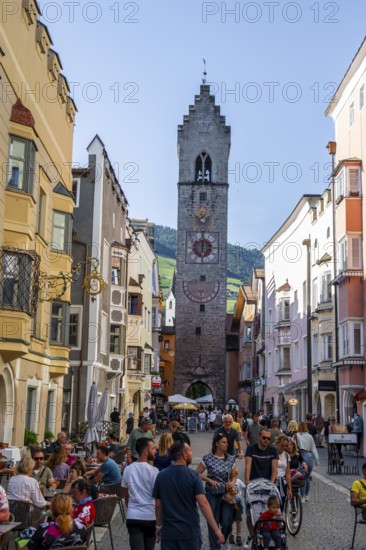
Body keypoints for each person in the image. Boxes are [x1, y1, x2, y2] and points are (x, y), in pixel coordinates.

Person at [153, 441, 225, 550]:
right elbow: (203, 503)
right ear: (184, 455)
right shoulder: (194, 476)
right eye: (190, 450)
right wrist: (216, 530)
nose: (192, 453)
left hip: (169, 533)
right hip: (189, 533)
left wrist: (158, 526)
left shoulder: (161, 476)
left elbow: (158, 505)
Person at [196, 432, 237, 549]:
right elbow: (197, 473)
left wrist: (233, 482)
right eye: (224, 442)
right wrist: (209, 480)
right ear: (217, 444)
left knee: (227, 521)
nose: (226, 445)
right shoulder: (208, 458)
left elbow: (234, 476)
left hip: (226, 493)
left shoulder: (230, 458)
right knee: (212, 522)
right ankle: (215, 547)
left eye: (227, 442)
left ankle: (224, 538)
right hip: (212, 493)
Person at [244, 427, 279, 548]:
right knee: (250, 514)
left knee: (267, 511)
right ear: (259, 437)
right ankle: (252, 535)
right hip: (253, 483)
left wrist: (272, 483)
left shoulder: (273, 450)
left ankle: (264, 536)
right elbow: (248, 466)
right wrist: (247, 482)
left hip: (267, 484)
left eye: (268, 439)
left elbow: (274, 469)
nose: (266, 440)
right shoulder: (251, 449)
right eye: (264, 438)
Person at [122, 437, 159, 550]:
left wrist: (131, 506)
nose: (155, 451)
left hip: (134, 516)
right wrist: (159, 523)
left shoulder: (128, 469)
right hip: (150, 516)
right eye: (153, 448)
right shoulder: (154, 471)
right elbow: (158, 500)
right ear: (146, 452)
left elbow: (125, 493)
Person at [295, 422, 319, 503]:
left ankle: (302, 497)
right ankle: (307, 495)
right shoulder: (310, 436)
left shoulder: (297, 435)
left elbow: (293, 446)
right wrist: (317, 460)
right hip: (309, 456)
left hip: (301, 455)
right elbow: (314, 449)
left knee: (302, 477)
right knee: (307, 477)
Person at [274, 435, 292, 504]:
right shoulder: (272, 453)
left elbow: (287, 473)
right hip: (273, 483)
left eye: (286, 446)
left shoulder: (286, 455)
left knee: (282, 505)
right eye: (282, 445)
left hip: (282, 483)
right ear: (277, 444)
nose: (284, 447)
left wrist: (290, 489)